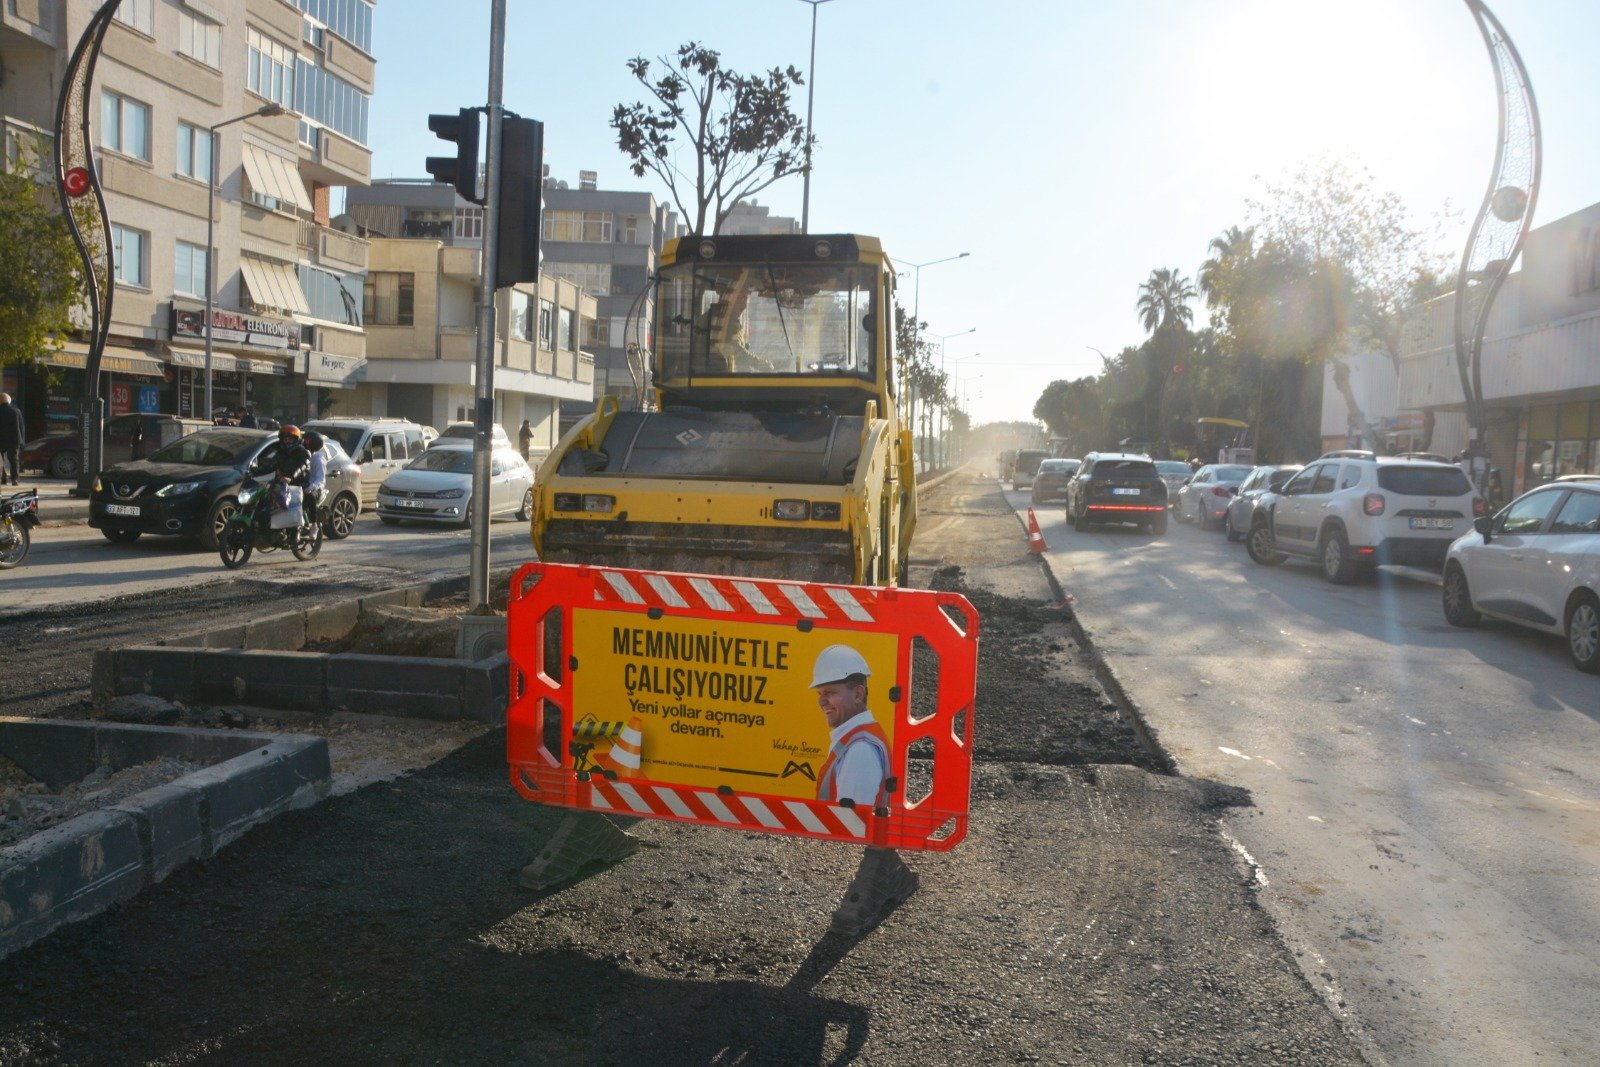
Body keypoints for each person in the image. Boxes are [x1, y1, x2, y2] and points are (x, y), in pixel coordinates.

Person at [810, 644, 890, 807]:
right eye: (820, 693)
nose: (821, 701)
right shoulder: (855, 740)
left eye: (830, 693)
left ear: (858, 694)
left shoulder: (859, 750)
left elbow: (852, 825)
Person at [303, 430, 327, 523]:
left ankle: (314, 525)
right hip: (303, 485)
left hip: (315, 488)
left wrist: (311, 487)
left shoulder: (318, 459)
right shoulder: (304, 455)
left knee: (309, 497)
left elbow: (320, 479)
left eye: (307, 441)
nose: (305, 443)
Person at [0, 393, 23, 486]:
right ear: (9, 401)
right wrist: (22, 441)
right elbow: (21, 427)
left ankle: (3, 478)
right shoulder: (16, 411)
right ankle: (15, 479)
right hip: (14, 439)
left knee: (1, 460)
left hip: (1, 439)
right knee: (14, 460)